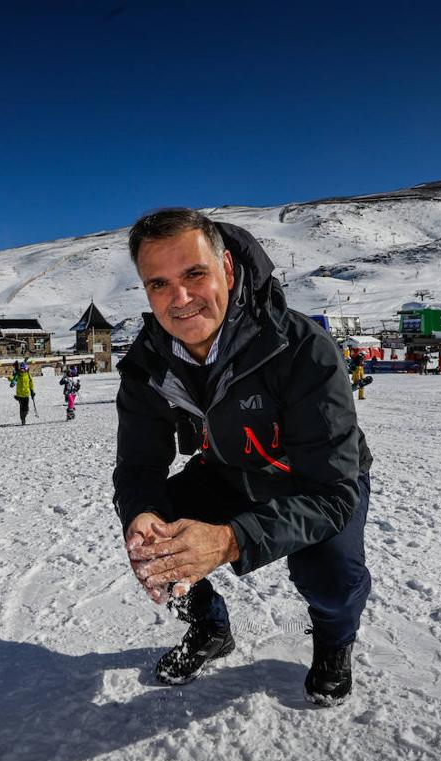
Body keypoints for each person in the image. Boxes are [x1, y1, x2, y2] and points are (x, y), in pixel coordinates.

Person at [114, 209, 371, 706]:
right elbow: (139, 467)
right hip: (229, 469)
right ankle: (209, 624)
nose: (180, 299)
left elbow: (334, 492)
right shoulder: (148, 364)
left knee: (331, 580)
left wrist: (231, 540)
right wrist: (143, 512)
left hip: (316, 481)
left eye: (195, 274)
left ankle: (334, 645)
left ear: (228, 270)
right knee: (155, 538)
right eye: (159, 283)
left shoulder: (301, 349)